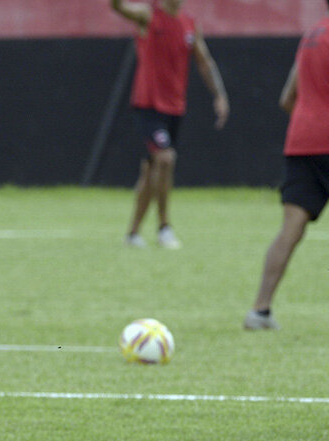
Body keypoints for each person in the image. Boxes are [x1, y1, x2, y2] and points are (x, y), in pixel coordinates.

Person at [111, 0, 229, 249]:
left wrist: (219, 95)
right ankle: (164, 227)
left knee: (151, 171)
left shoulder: (188, 24)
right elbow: (118, 7)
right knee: (165, 159)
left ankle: (132, 234)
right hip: (149, 105)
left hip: (174, 108)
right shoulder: (148, 16)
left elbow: (204, 61)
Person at [244, 5, 329, 330]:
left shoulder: (311, 35)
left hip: (302, 141)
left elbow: (286, 98)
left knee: (290, 230)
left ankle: (260, 310)